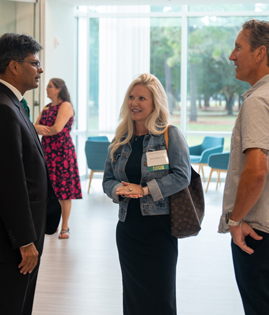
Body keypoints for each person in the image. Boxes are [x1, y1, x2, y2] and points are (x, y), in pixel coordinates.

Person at [0, 33, 61, 315]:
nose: (41, 69)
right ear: (13, 66)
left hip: (16, 238)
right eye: (34, 63)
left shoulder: (11, 103)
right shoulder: (1, 108)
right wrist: (24, 240)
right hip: (10, 241)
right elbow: (8, 182)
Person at [218, 19, 269, 315]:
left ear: (260, 53)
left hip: (257, 231)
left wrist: (235, 220)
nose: (232, 55)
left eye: (239, 47)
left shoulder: (260, 100)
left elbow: (257, 169)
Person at [102, 73, 191, 315]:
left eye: (142, 98)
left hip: (159, 230)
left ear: (155, 104)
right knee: (132, 296)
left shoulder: (169, 135)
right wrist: (118, 190)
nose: (135, 103)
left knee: (160, 297)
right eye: (131, 97)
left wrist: (144, 190)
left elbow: (182, 176)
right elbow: (108, 179)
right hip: (128, 229)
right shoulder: (121, 139)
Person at [34, 78, 82, 239]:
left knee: (64, 191)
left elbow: (56, 129)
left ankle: (65, 226)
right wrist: (38, 128)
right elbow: (33, 127)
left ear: (58, 89)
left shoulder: (66, 106)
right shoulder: (47, 107)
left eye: (50, 86)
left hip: (62, 152)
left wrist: (40, 128)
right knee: (49, 189)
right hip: (47, 151)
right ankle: (51, 224)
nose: (46, 89)